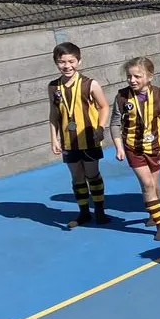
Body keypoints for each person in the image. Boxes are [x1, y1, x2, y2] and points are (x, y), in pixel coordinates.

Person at [111, 57, 160, 240]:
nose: (132, 80)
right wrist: (119, 147)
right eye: (129, 76)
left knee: (154, 185)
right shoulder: (122, 97)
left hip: (155, 147)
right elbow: (115, 123)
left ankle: (154, 212)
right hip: (133, 148)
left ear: (149, 77)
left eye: (137, 76)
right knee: (147, 184)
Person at [48, 42, 112, 227]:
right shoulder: (53, 87)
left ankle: (99, 210)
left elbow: (104, 106)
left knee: (92, 174)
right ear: (56, 63)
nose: (67, 66)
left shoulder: (90, 84)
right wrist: (54, 138)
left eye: (71, 61)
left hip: (89, 139)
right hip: (69, 141)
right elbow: (53, 114)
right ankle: (84, 212)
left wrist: (100, 128)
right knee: (76, 175)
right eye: (62, 62)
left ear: (79, 61)